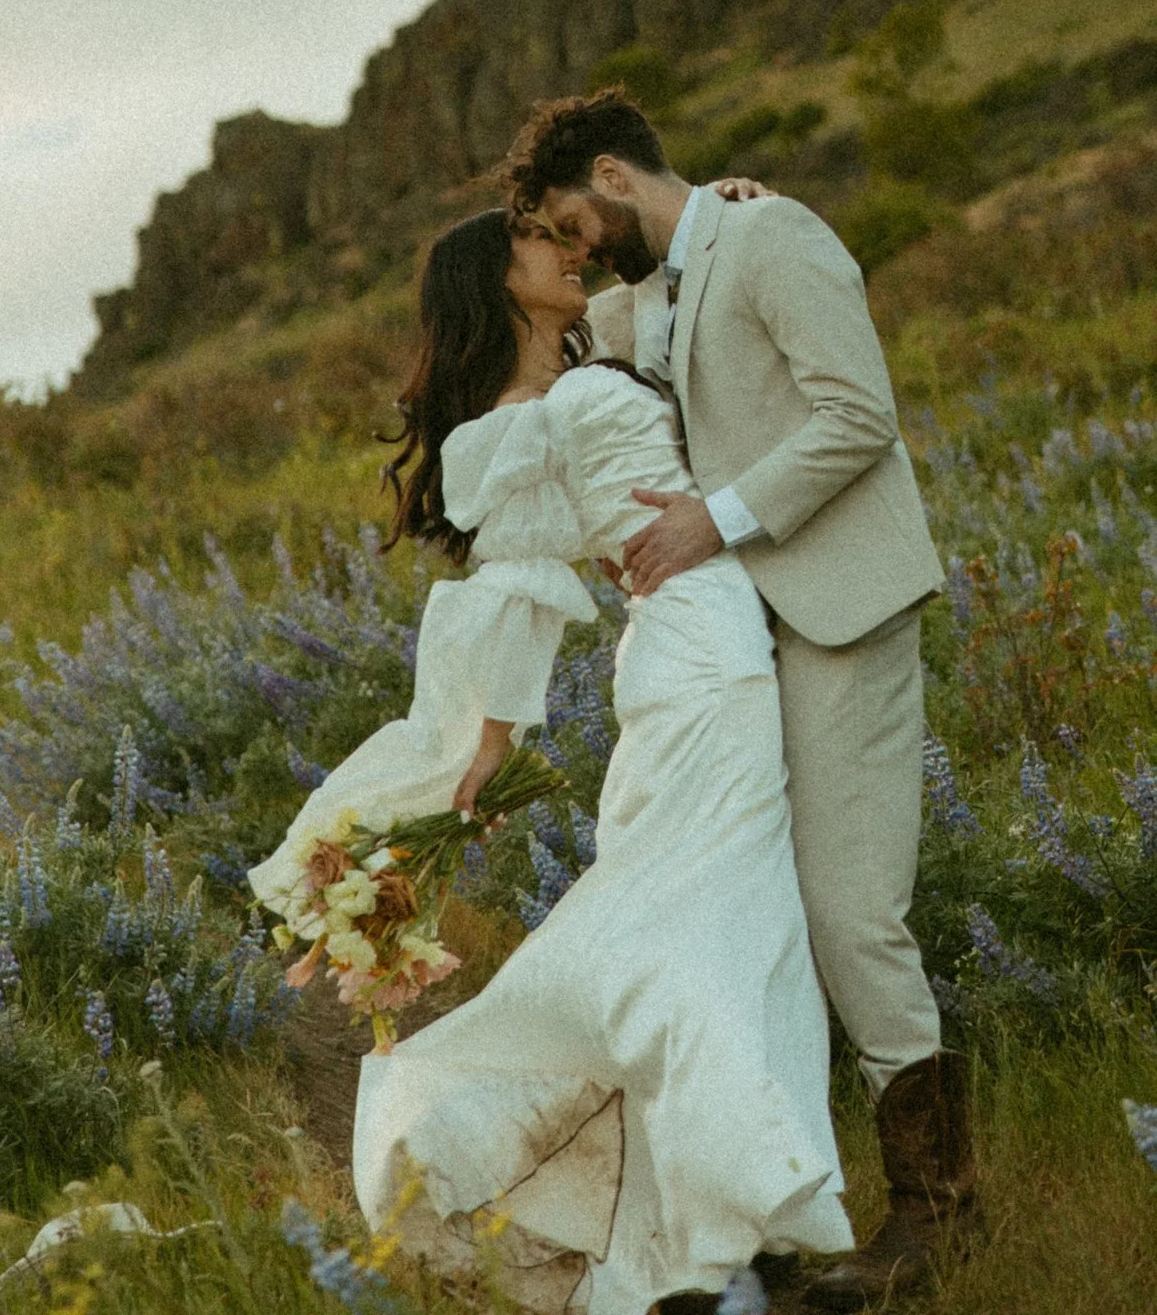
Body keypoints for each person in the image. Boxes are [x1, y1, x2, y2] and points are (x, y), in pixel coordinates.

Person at [251, 207, 854, 1314]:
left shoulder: (578, 373)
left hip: (696, 646)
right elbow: (509, 584)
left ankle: (704, 1251)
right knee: (711, 930)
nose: (568, 250)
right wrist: (486, 736)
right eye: (540, 244)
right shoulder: (535, 412)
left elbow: (682, 277)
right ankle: (735, 1235)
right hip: (699, 656)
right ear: (503, 281)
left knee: (727, 922)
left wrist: (732, 202)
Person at [501, 91, 972, 1311]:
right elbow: (532, 304)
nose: (580, 242)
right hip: (733, 645)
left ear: (613, 169)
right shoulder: (640, 293)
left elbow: (857, 416)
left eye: (576, 215)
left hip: (836, 608)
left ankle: (938, 1212)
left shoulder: (772, 236)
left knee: (847, 908)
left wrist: (714, 516)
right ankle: (769, 1202)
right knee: (746, 917)